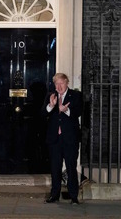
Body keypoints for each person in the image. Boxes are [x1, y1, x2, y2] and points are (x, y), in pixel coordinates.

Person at [41, 73, 82, 205]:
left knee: (71, 167)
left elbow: (79, 111)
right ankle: (54, 195)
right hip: (54, 139)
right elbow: (42, 113)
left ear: (67, 82)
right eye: (56, 84)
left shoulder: (76, 95)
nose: (59, 86)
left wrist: (66, 110)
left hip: (70, 139)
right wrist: (51, 106)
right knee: (55, 168)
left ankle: (73, 196)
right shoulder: (50, 96)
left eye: (61, 83)